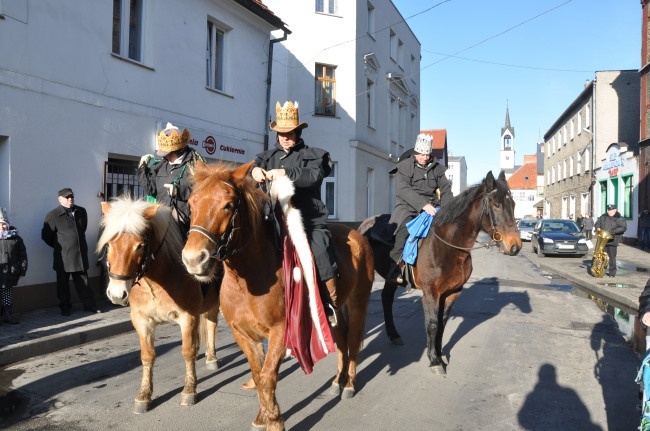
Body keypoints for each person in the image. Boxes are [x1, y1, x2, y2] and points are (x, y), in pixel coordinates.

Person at [251, 101, 338, 320]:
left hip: (306, 218)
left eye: (289, 132)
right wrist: (253, 172)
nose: (285, 137)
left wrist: (284, 172)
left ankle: (330, 303)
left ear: (298, 132)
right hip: (271, 219)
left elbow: (312, 177)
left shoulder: (315, 155)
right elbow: (249, 173)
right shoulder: (265, 157)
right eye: (281, 133)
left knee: (321, 252)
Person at [387, 133, 452, 283]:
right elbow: (403, 190)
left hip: (433, 208)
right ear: (416, 153)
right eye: (421, 154)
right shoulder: (404, 166)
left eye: (427, 154)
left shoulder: (438, 169)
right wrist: (423, 205)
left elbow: (446, 191)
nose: (424, 157)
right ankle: (395, 268)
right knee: (404, 229)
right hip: (408, 207)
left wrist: (449, 210)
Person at [138, 122, 205, 237]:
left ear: (176, 151)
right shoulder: (162, 165)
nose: (164, 156)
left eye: (167, 153)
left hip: (184, 222)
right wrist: (142, 169)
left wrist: (179, 191)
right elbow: (150, 189)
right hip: (161, 216)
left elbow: (202, 193)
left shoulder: (195, 165)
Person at [42, 188, 100, 316]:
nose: (70, 199)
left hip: (79, 255)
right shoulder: (53, 215)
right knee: (63, 284)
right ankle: (65, 307)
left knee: (83, 282)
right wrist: (62, 247)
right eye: (67, 197)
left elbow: (82, 230)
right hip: (63, 257)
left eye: (71, 197)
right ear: (60, 199)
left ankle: (89, 305)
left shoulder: (81, 211)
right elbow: (46, 236)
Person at [0, 208, 27, 324]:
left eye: (4, 224)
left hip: (10, 273)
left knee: (6, 293)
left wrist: (22, 270)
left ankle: (7, 314)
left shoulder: (16, 238)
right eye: (0, 225)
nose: (2, 227)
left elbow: (23, 256)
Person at [594, 203, 627, 278]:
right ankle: (600, 271)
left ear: (615, 210)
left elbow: (623, 228)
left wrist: (613, 231)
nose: (609, 212)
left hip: (613, 241)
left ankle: (612, 273)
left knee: (612, 257)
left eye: (611, 210)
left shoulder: (620, 218)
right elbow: (597, 223)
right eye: (608, 210)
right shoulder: (603, 217)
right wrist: (598, 227)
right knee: (601, 256)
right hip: (603, 240)